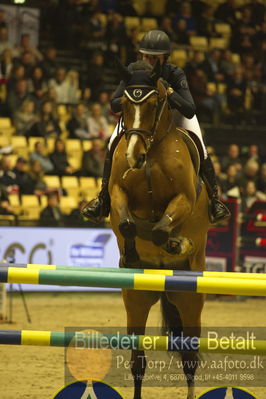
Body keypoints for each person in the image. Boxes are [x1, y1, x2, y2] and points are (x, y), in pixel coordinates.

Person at [81, 30, 230, 224]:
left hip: (174, 116)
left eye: (154, 57)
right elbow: (114, 104)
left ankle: (214, 201)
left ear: (165, 57)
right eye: (145, 56)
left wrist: (167, 90)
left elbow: (190, 109)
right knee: (112, 143)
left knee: (200, 145)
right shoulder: (132, 70)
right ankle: (103, 199)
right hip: (141, 118)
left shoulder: (174, 73)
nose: (148, 60)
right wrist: (132, 95)